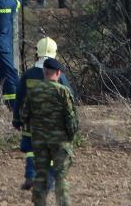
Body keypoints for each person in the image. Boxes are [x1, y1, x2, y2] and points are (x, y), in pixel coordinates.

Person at [12, 37, 73, 191]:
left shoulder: (28, 75)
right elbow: (70, 99)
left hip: (30, 124)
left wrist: (17, 119)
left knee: (30, 150)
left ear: (37, 52)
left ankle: (30, 175)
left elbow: (19, 98)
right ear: (55, 53)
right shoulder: (60, 76)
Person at [20, 57, 78, 206]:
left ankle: (39, 203)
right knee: (60, 176)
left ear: (44, 72)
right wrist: (71, 136)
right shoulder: (63, 92)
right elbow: (71, 118)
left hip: (39, 140)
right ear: (58, 73)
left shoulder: (33, 91)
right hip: (60, 141)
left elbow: (24, 115)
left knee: (41, 175)